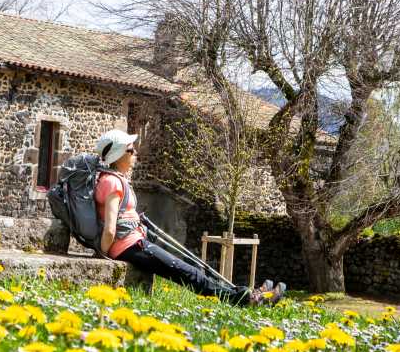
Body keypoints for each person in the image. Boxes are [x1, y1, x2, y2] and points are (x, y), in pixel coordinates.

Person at [94, 129, 285, 306]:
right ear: (119, 155)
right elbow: (110, 228)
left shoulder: (112, 180)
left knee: (189, 269)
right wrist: (104, 254)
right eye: (130, 150)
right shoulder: (112, 182)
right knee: (187, 272)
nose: (135, 153)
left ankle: (243, 293)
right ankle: (244, 299)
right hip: (129, 247)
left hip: (134, 244)